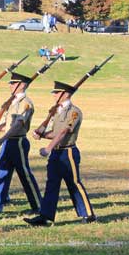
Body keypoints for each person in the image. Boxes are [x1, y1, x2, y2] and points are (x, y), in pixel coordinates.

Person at [24, 81, 96, 226]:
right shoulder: (57, 111)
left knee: (74, 183)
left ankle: (88, 214)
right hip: (56, 154)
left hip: (67, 152)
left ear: (65, 94)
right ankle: (45, 217)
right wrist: (42, 134)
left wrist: (48, 148)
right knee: (52, 184)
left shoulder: (74, 112)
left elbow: (64, 132)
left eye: (56, 93)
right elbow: (55, 133)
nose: (54, 95)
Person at [0, 72, 41, 214]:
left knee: (24, 174)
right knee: (2, 172)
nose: (10, 85)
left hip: (18, 142)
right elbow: (8, 125)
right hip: (9, 141)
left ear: (22, 85)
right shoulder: (13, 103)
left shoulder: (25, 103)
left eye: (13, 83)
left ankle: (38, 205)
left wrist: (2, 139)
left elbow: (18, 125)